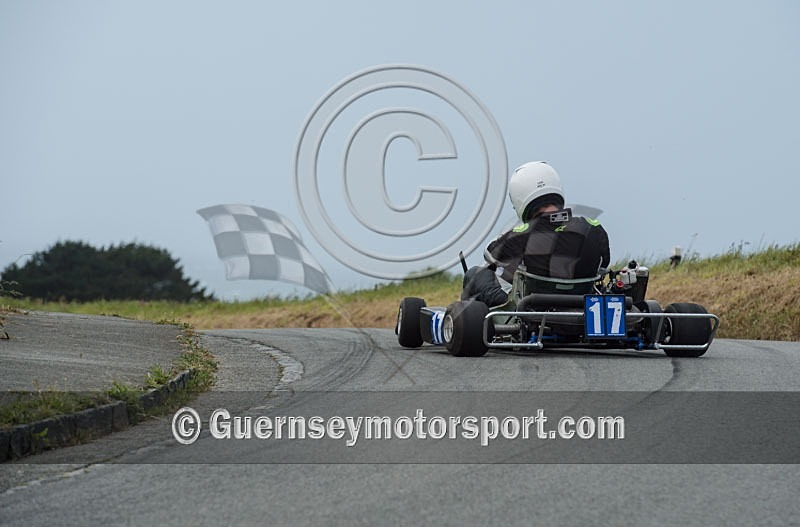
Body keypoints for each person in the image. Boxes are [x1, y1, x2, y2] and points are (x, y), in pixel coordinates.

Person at [462, 161, 610, 306]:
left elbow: (490, 254)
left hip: (531, 310)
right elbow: (604, 263)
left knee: (475, 274)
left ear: (519, 198)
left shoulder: (521, 235)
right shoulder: (593, 227)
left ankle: (471, 326)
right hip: (584, 305)